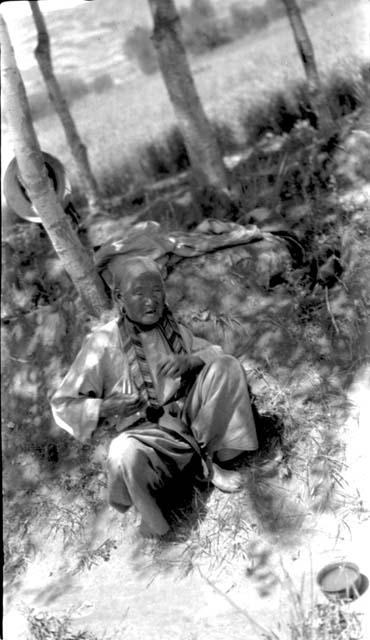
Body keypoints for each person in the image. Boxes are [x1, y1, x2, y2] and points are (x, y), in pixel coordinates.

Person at [51, 255, 258, 536]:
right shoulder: (101, 343)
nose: (151, 301)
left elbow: (217, 353)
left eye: (157, 291)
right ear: (120, 298)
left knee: (227, 367)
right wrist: (105, 407)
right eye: (139, 293)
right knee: (122, 452)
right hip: (150, 438)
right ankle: (163, 506)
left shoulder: (172, 329)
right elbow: (63, 405)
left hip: (190, 421)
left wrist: (190, 361)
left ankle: (208, 460)